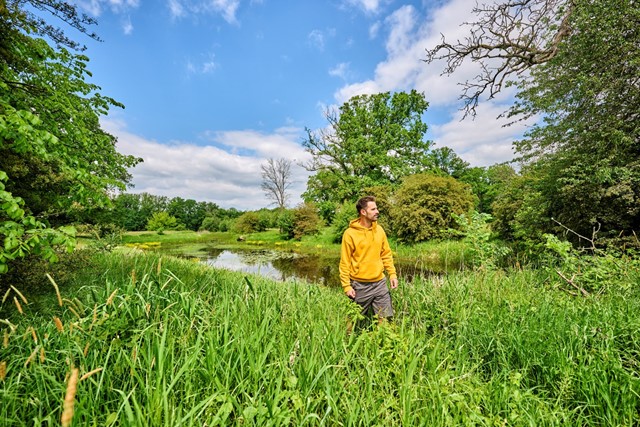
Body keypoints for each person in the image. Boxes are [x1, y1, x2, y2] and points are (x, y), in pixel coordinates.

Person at [339, 196, 398, 324]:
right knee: (353, 321)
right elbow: (345, 262)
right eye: (373, 209)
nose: (377, 211)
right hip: (360, 285)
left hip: (380, 283)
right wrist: (346, 286)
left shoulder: (380, 230)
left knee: (385, 319)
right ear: (363, 212)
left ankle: (381, 342)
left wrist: (392, 274)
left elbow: (386, 254)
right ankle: (347, 342)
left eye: (376, 208)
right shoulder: (350, 234)